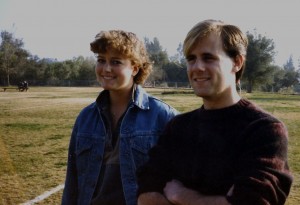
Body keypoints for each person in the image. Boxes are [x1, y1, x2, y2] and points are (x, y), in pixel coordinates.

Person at [136, 19, 293, 205]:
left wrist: (181, 196)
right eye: (191, 59)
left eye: (208, 57)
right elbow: (146, 194)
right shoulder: (178, 127)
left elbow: (254, 201)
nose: (197, 67)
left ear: (237, 62)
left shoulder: (263, 130)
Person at [61, 30, 178, 205]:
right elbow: (72, 183)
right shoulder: (85, 118)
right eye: (101, 60)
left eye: (115, 62)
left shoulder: (163, 116)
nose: (106, 69)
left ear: (135, 68)